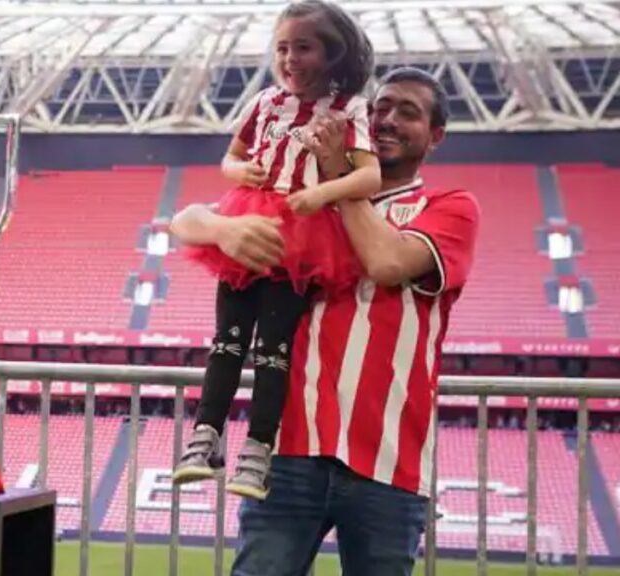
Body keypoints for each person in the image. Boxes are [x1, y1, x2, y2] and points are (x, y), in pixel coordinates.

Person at [170, 67, 480, 575]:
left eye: (409, 112)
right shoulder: (304, 197)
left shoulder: (448, 207)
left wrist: (338, 178)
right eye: (380, 107)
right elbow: (184, 221)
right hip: (288, 450)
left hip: (387, 461)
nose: (387, 120)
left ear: (436, 136)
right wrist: (222, 227)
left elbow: (385, 263)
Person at [172, 0, 382, 501]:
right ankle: (205, 436)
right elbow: (231, 157)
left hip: (303, 233)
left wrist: (320, 194)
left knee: (273, 349)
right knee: (227, 338)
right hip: (247, 217)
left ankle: (258, 449)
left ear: (333, 53)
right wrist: (239, 173)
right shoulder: (265, 101)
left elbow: (368, 175)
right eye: (282, 47)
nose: (290, 59)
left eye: (303, 47)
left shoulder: (349, 107)